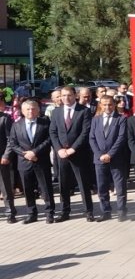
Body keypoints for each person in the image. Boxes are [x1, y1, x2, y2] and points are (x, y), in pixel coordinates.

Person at [49, 85, 96, 222]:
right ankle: (65, 211)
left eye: (68, 95)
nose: (66, 98)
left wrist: (73, 149)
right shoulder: (57, 112)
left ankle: (88, 211)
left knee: (83, 184)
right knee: (63, 185)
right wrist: (59, 149)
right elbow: (53, 132)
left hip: (79, 154)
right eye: (63, 95)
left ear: (75, 95)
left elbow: (85, 132)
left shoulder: (84, 111)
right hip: (62, 155)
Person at [8, 99, 55, 223]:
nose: (31, 111)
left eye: (33, 108)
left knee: (45, 188)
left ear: (38, 110)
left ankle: (49, 213)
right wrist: (26, 154)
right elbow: (13, 143)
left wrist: (35, 152)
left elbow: (49, 140)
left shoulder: (45, 123)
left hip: (41, 160)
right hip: (24, 162)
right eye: (27, 109)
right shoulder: (16, 125)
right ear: (22, 111)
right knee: (27, 189)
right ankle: (31, 213)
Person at [89, 95, 129, 222]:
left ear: (114, 105)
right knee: (102, 186)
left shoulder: (121, 119)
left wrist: (110, 154)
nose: (107, 107)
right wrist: (100, 154)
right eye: (104, 104)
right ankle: (106, 211)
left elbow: (121, 138)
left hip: (116, 158)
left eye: (110, 104)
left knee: (120, 186)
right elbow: (92, 138)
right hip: (99, 159)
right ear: (100, 105)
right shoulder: (96, 119)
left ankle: (122, 211)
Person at [0, 100, 15, 222]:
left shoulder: (5, 118)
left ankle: (10, 211)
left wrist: (6, 156)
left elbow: (10, 139)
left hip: (2, 158)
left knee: (5, 186)